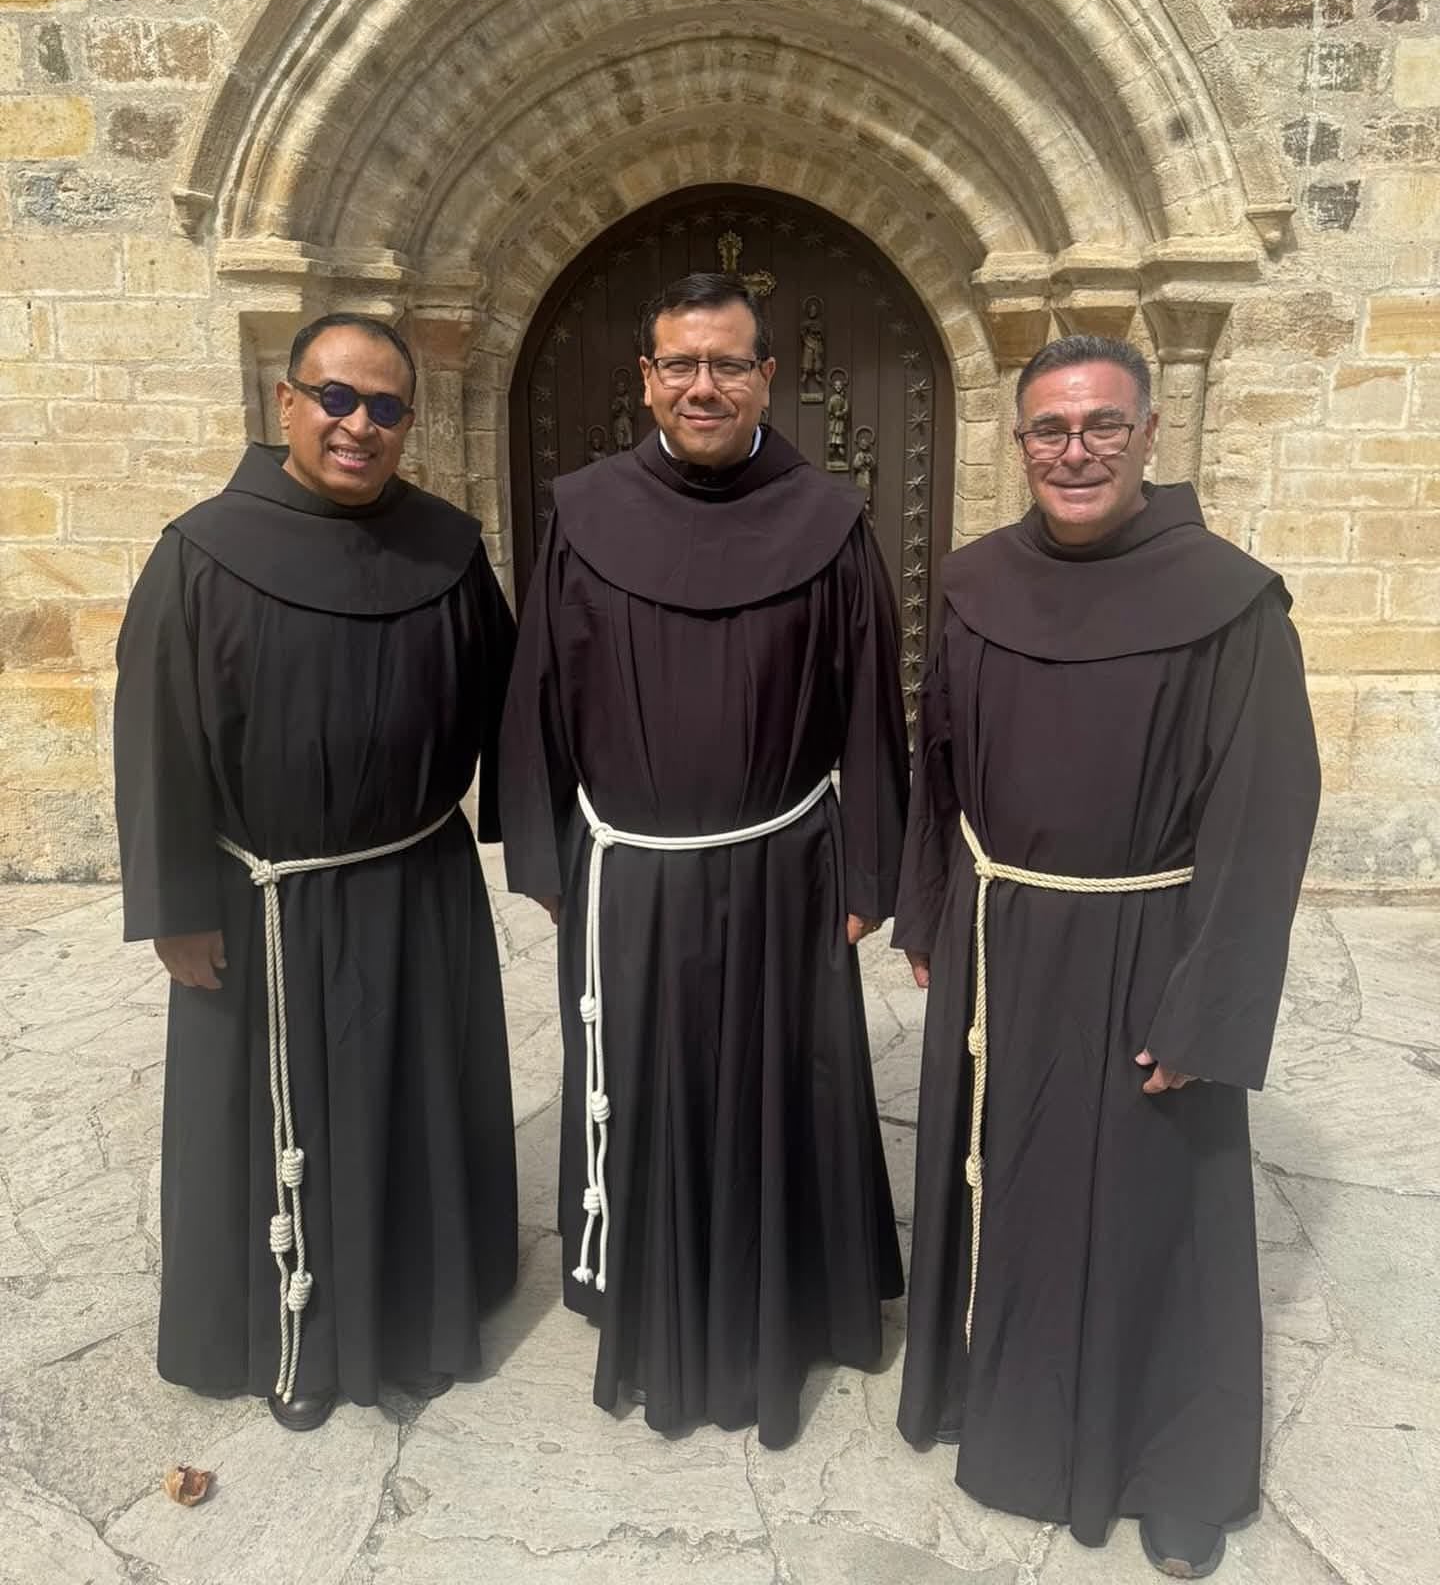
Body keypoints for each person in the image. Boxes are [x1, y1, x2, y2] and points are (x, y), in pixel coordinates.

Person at [894, 334, 1320, 1579]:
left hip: (1152, 943)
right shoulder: (974, 585)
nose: (1074, 450)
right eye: (1049, 429)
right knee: (1007, 1174)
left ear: (1147, 437)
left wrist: (1212, 1005)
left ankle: (1170, 1465)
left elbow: (1263, 818)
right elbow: (943, 767)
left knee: (1152, 1215)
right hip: (1006, 937)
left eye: (1101, 427)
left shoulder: (1232, 600)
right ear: (1019, 441)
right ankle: (1004, 1414)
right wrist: (931, 910)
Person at [500, 271, 909, 1448]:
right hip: (628, 877)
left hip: (787, 871)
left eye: (728, 363)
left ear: (769, 378)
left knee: (787, 1085)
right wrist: (549, 856)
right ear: (646, 379)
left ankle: (788, 1302)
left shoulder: (830, 520)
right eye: (680, 363)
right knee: (646, 1090)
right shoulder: (581, 514)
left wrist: (867, 875)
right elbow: (539, 695)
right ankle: (644, 1290)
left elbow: (869, 710)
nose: (703, 384)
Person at [114, 311, 518, 1431]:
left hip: (416, 887)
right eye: (336, 398)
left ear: (409, 424)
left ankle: (421, 1318)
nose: (358, 425)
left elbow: (513, 709)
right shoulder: (201, 550)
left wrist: (549, 845)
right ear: (285, 401)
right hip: (262, 904)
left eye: (386, 408)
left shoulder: (447, 547)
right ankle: (279, 1333)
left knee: (415, 1107)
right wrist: (174, 909)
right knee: (272, 1134)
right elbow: (154, 742)